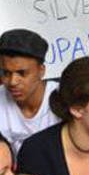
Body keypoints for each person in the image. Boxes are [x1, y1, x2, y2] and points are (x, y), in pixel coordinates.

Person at [0, 29, 58, 157]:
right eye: (6, 73)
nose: (13, 81)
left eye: (22, 73)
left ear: (41, 71)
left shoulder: (63, 99)